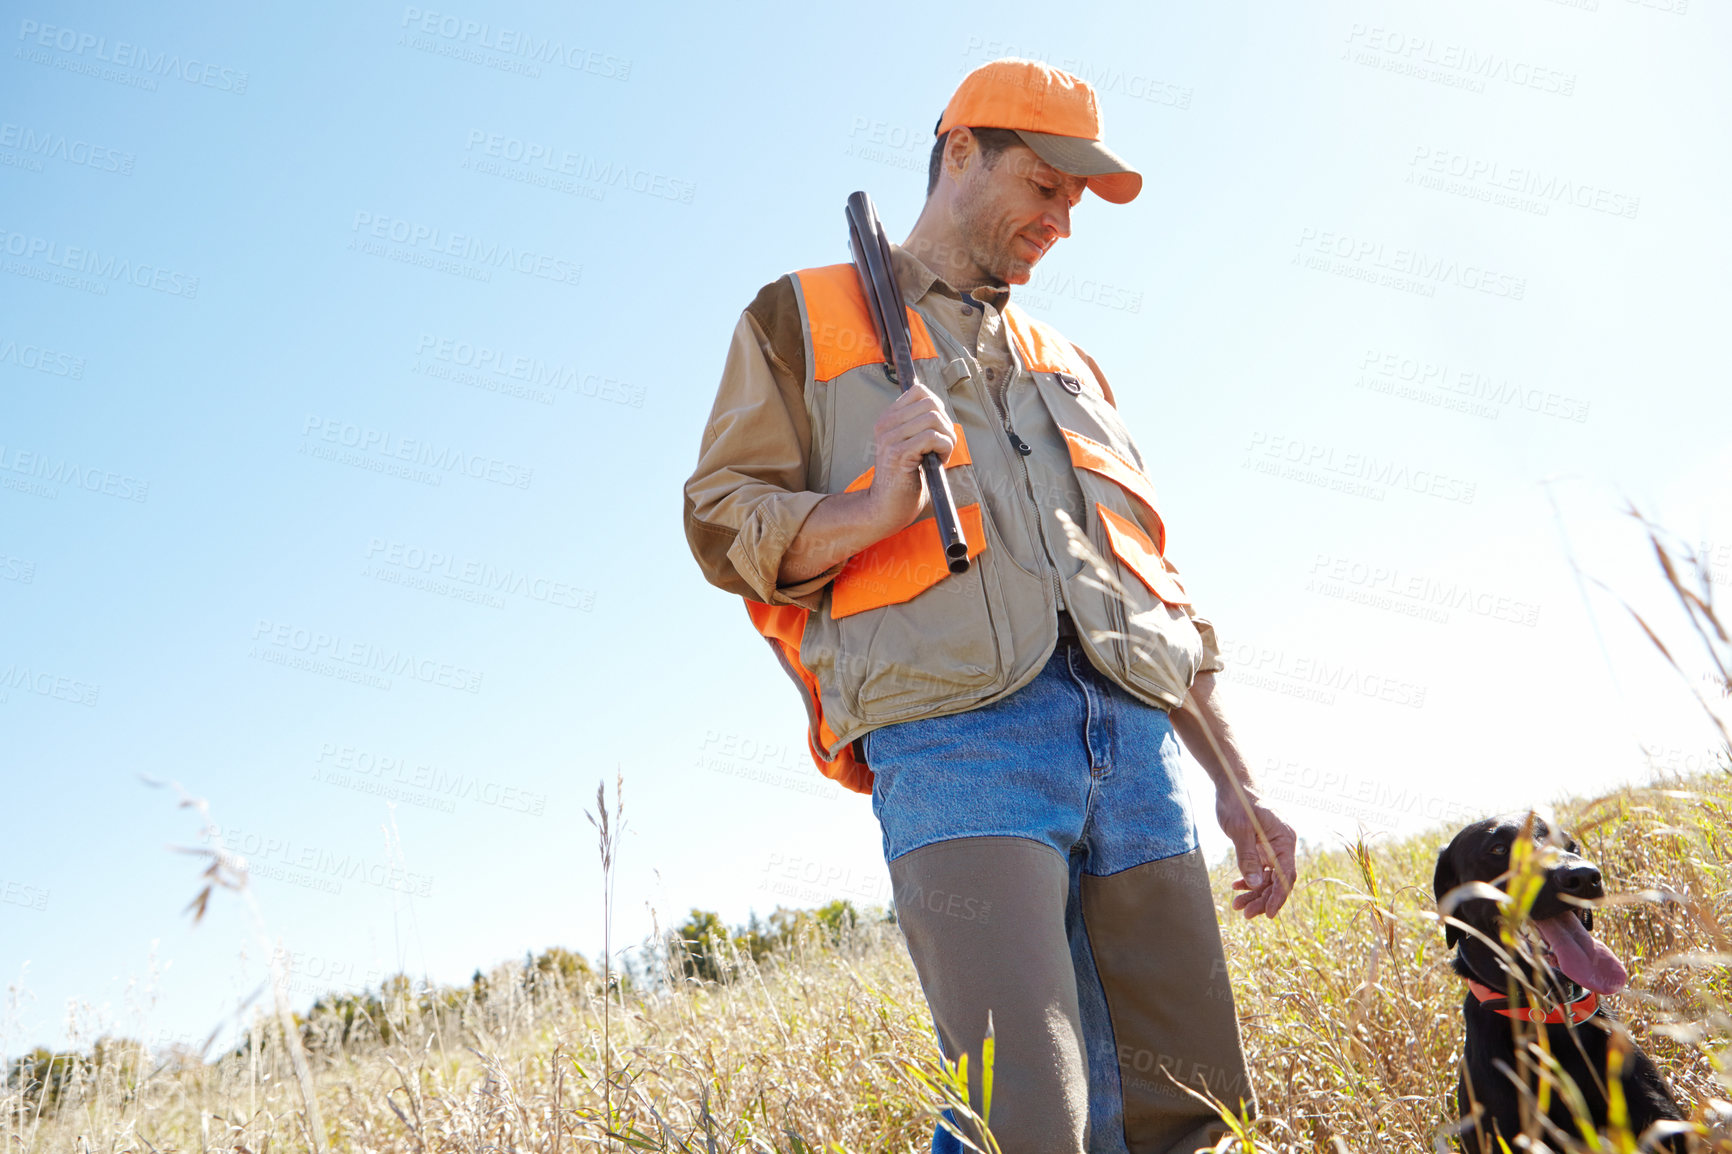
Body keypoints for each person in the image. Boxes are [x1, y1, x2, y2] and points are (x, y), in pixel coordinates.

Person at [682, 58, 1298, 1154]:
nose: (1063, 220)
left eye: (1077, 201)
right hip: (957, 736)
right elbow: (722, 520)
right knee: (1028, 1118)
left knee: (1184, 1105)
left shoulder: (1072, 364)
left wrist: (1238, 785)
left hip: (1135, 742)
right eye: (1048, 184)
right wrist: (870, 503)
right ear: (961, 151)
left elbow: (1156, 588)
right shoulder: (802, 316)